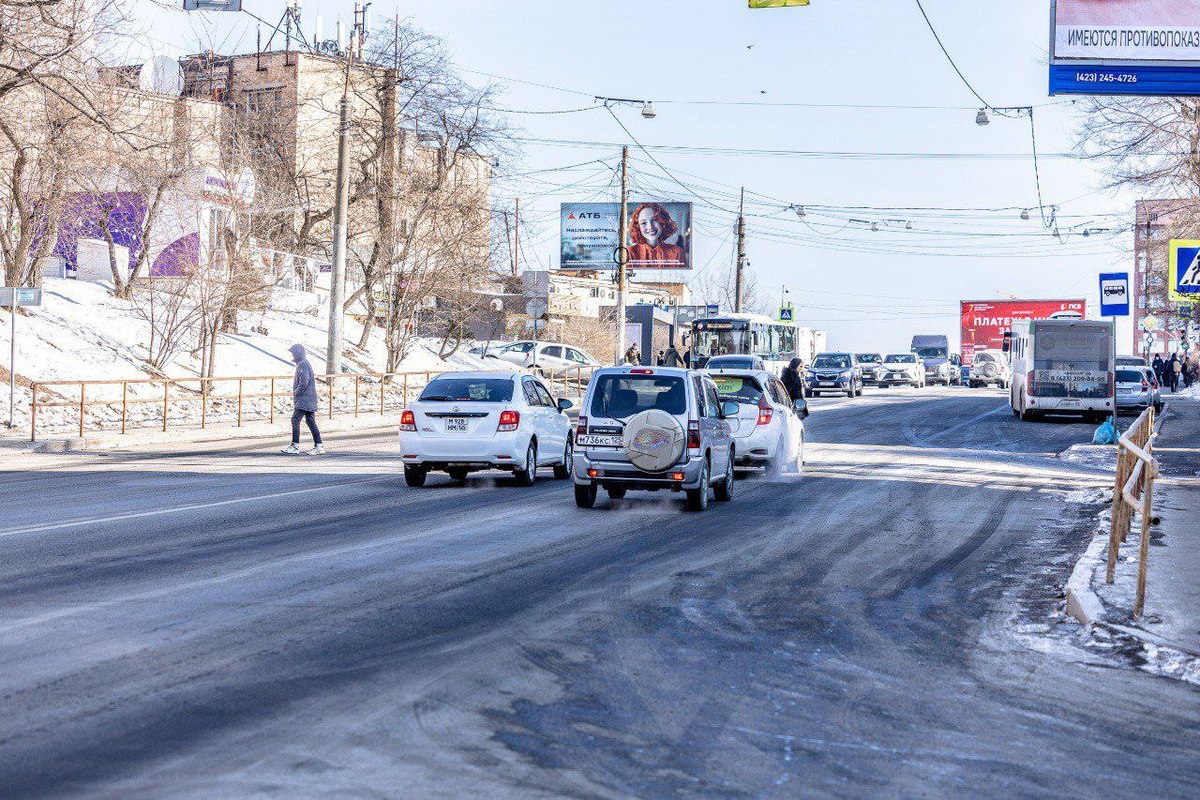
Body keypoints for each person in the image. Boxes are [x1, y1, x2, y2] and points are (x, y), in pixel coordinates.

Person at [282, 343, 324, 455]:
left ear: (298, 353)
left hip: (304, 398)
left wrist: (296, 393)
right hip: (308, 398)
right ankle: (319, 446)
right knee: (310, 421)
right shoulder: (304, 363)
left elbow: (304, 382)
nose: (292, 355)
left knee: (295, 420)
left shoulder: (302, 364)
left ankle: (295, 446)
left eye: (293, 353)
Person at [627, 203, 686, 268]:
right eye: (643, 223)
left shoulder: (677, 252)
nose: (650, 227)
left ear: (663, 222)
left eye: (655, 220)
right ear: (638, 227)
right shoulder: (629, 253)